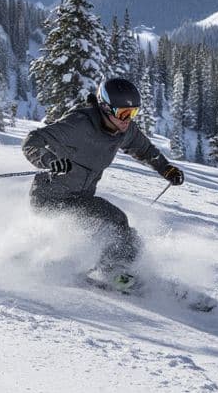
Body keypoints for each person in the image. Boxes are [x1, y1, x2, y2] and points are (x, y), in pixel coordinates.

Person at [22, 77, 184, 289]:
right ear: (106, 107)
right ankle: (115, 272)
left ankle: (129, 270)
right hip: (51, 199)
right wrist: (50, 160)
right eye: (123, 114)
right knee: (114, 219)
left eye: (133, 113)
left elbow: (145, 150)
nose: (128, 119)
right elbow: (32, 142)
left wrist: (166, 169)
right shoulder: (79, 124)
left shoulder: (123, 131)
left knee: (123, 233)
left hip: (80, 199)